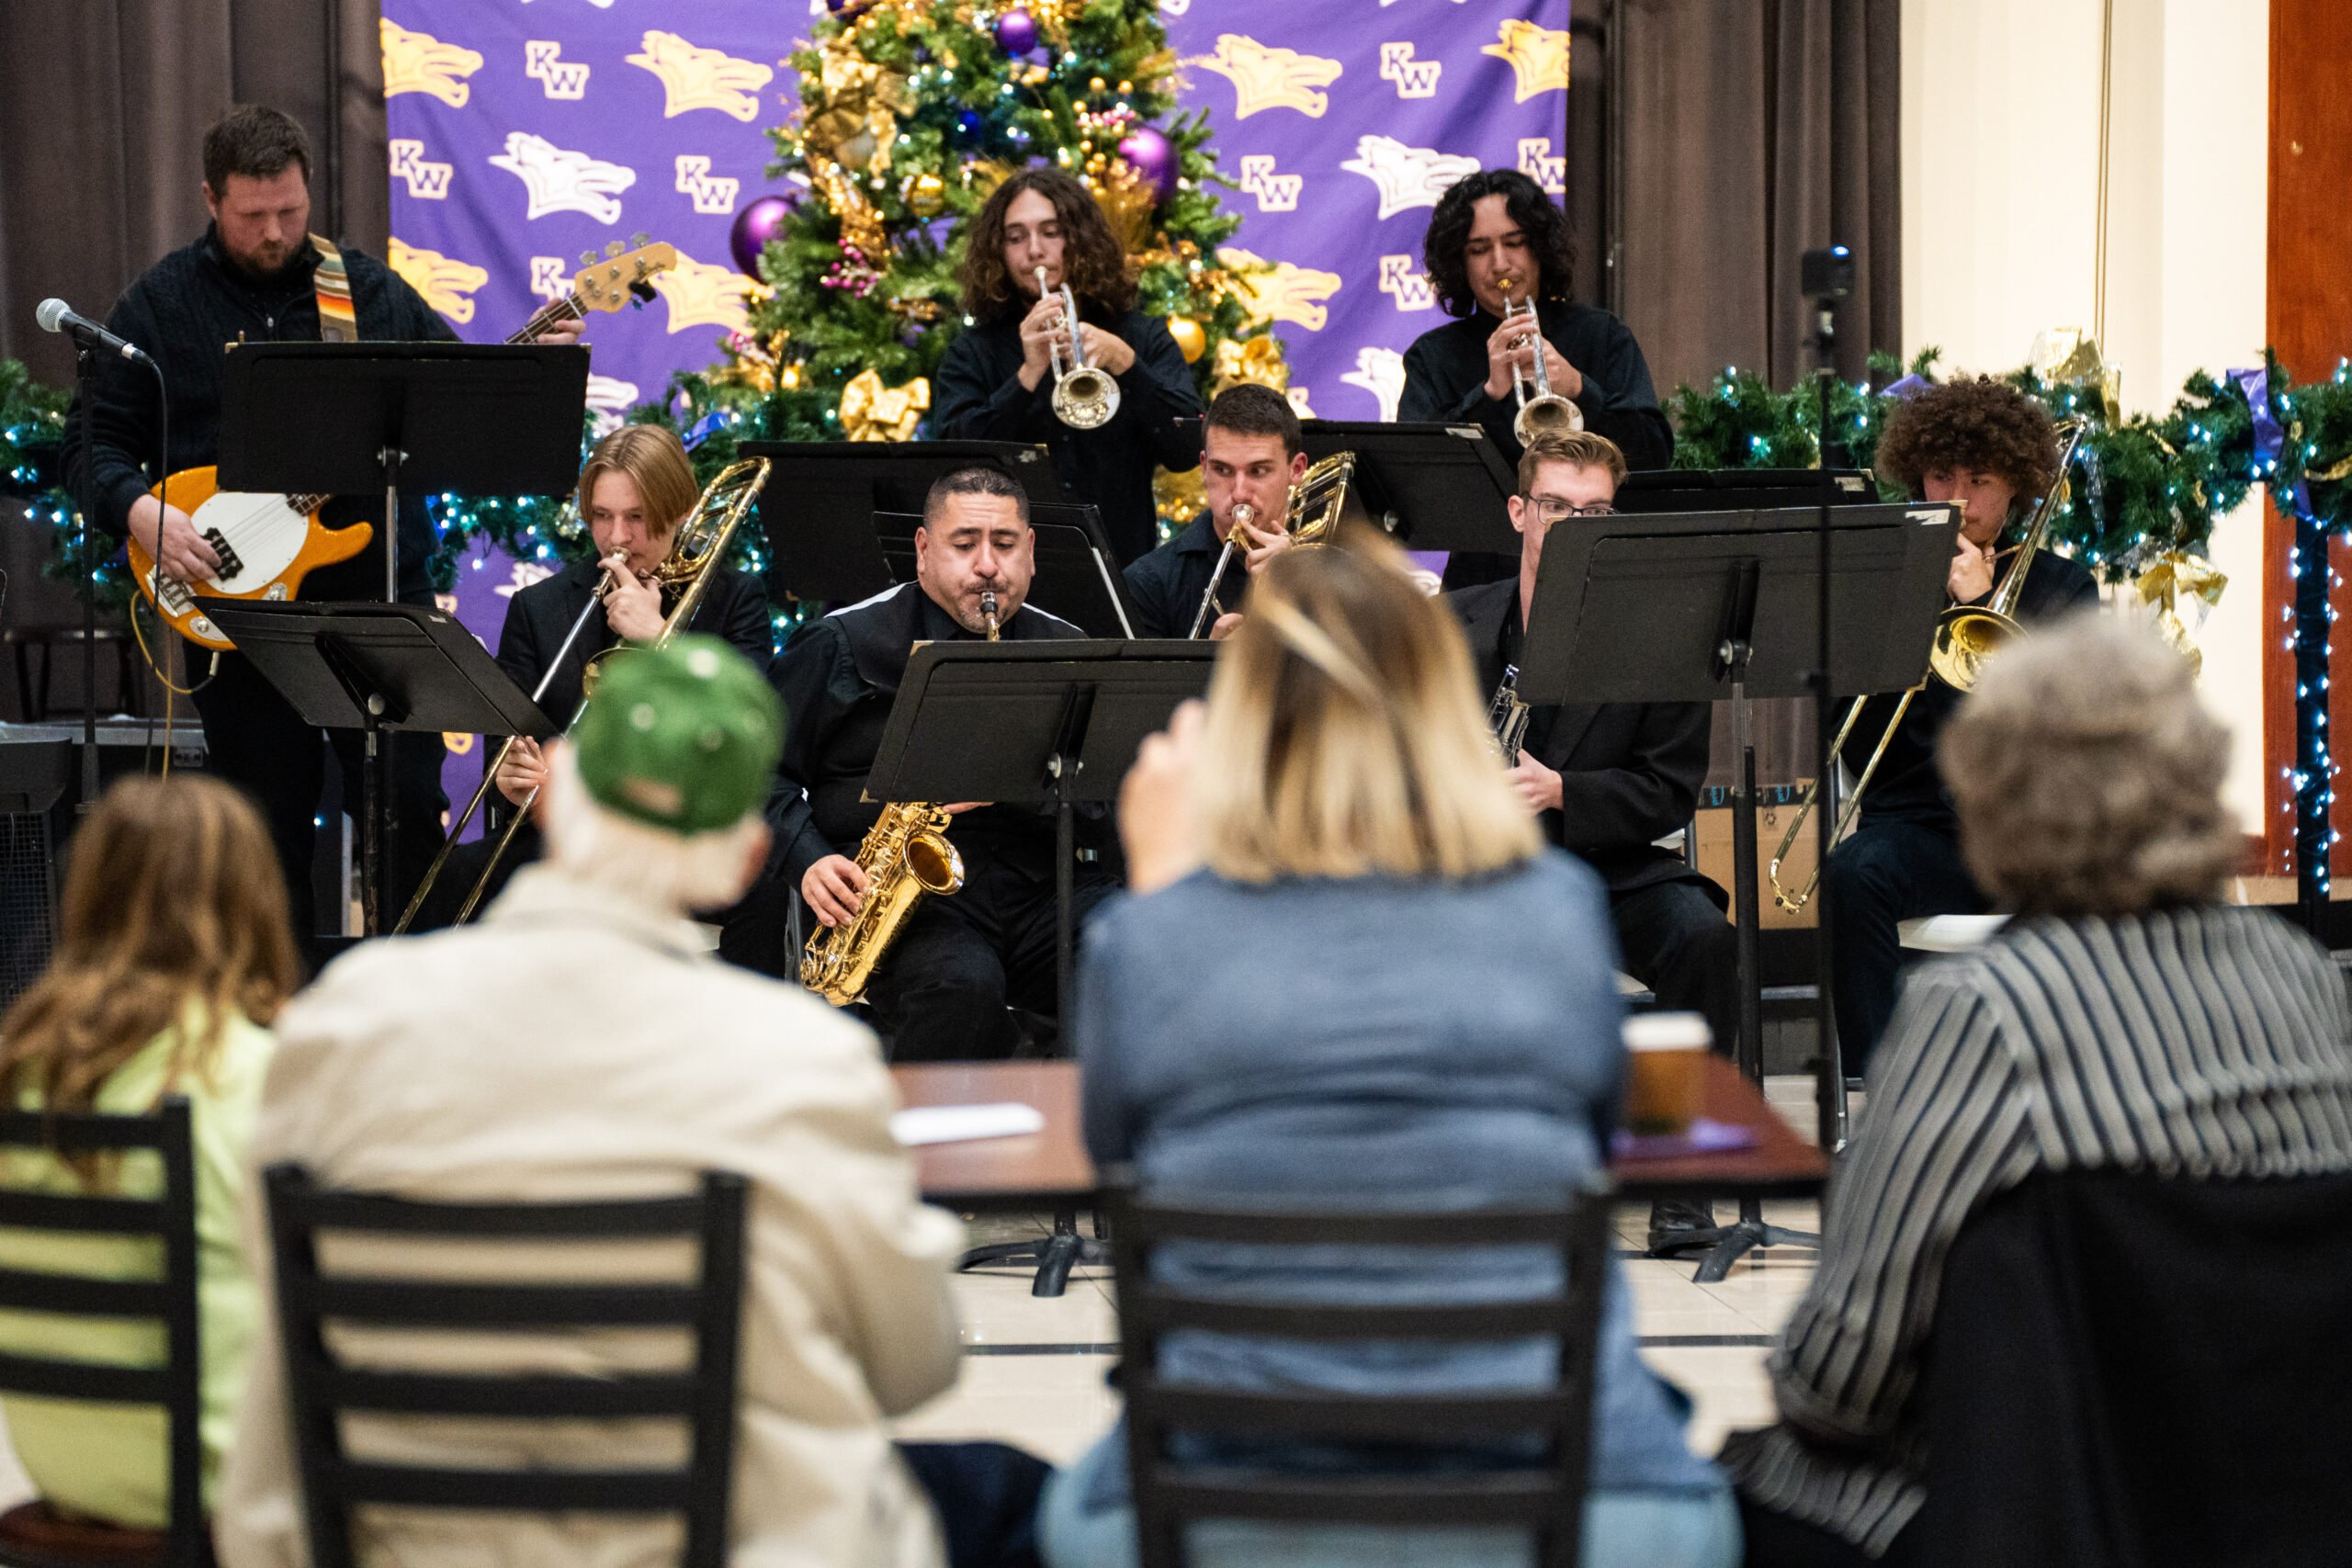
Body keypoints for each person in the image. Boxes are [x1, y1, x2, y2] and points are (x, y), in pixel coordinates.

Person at [218, 637, 1046, 1568]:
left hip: (396, 1540)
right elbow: (911, 1365)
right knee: (1022, 1498)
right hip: (718, 1540)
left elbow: (268, 1291)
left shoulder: (346, 1018)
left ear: (558, 796)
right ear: (744, 860)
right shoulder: (804, 1060)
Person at [1043, 538, 1741, 1568]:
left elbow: (1116, 1161)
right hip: (1581, 1500)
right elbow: (1594, 1135)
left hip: (1215, 1501)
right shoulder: (1554, 913)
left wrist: (1160, 894)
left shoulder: (1148, 940)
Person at [1724, 617, 2352, 1567]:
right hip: (2275, 1509)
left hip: (2037, 1513)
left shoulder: (1981, 1011)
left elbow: (1837, 1382)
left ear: (1996, 798)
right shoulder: (2301, 977)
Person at [61, 105, 582, 962]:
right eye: (252, 215)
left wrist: (543, 367)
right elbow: (87, 442)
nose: (273, 233)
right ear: (209, 198)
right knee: (259, 828)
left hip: (378, 597)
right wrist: (140, 510)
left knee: (408, 812)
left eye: (290, 212)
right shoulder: (157, 306)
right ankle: (274, 1026)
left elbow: (464, 404)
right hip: (242, 613)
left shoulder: (368, 292)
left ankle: (416, 1012)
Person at [1447, 430, 1737, 1252]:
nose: (1574, 525)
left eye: (1595, 511)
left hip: (1603, 866)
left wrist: (1563, 791)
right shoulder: (1455, 621)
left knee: (1703, 939)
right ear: (1519, 512)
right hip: (1482, 869)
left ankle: (1681, 1183)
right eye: (1556, 507)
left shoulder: (1661, 631)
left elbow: (1669, 786)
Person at [0, 776, 295, 1534]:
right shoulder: (256, 1072)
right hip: (220, 1485)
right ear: (255, 901)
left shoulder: (20, 1072)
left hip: (64, 1470)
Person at [768, 465, 1116, 1060]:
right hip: (911, 903)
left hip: (1040, 893)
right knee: (960, 988)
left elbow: (1102, 803)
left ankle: (1082, 1136)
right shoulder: (843, 641)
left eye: (1004, 545)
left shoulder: (1068, 649)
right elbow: (757, 770)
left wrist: (1025, 777)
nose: (987, 566)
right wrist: (808, 859)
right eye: (965, 544)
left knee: (1130, 948)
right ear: (924, 551)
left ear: (1030, 551)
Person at [1818, 377, 2099, 1073]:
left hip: (2023, 834)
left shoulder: (2064, 590)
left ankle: (2062, 1091)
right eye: (1941, 476)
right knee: (1852, 873)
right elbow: (1852, 741)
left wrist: (1983, 615)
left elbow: (2052, 744)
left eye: (1979, 480)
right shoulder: (1881, 586)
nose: (1957, 500)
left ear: (2017, 486)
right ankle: (1880, 1090)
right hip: (1919, 832)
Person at [404, 424, 774, 953]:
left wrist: (659, 639)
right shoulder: (539, 609)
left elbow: (750, 735)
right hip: (572, 840)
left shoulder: (736, 598)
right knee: (459, 872)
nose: (617, 538)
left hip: (688, 834)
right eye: (602, 516)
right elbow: (508, 751)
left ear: (679, 510)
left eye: (637, 516)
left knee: (767, 890)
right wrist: (511, 780)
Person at [1402, 168, 1668, 590]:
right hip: (1482, 583)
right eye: (1478, 249)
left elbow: (1655, 455)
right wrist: (1489, 396)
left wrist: (1580, 389)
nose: (1500, 264)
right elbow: (1416, 486)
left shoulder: (1603, 335)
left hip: (1600, 569)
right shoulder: (1433, 356)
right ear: (1460, 263)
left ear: (1540, 248)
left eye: (1515, 243)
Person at [933, 167, 1204, 567]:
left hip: (1123, 565)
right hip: (1009, 577)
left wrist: (1125, 364)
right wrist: (1027, 375)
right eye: (1016, 237)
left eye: (1051, 231)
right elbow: (952, 467)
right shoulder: (973, 351)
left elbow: (1187, 449)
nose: (1035, 251)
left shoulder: (1141, 336)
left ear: (1079, 238)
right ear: (1000, 250)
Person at [1121, 384, 1307, 638]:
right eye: (1223, 470)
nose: (1240, 492)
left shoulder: (1340, 573)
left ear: (1296, 469)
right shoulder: (1149, 583)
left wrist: (1304, 594)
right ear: (1204, 467)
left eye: (1258, 471)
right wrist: (1210, 663)